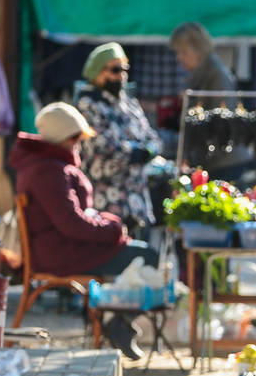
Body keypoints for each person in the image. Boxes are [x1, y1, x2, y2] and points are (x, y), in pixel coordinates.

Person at [8, 102, 158, 358]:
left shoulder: (44, 164)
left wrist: (108, 225)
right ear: (61, 138)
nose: (79, 143)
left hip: (58, 247)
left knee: (140, 253)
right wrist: (112, 228)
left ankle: (115, 319)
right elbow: (71, 224)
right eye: (75, 137)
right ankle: (116, 322)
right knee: (147, 257)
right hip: (61, 252)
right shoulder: (48, 170)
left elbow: (72, 219)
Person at [75, 42, 162, 234]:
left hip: (136, 201)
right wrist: (138, 152)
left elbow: (153, 139)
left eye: (124, 69)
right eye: (115, 69)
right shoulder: (88, 103)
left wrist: (147, 151)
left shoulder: (129, 103)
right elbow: (101, 144)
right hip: (106, 202)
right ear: (97, 71)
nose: (121, 75)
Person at [169, 22, 254, 182]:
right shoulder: (202, 73)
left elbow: (222, 123)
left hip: (225, 163)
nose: (179, 57)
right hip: (214, 161)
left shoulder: (216, 75)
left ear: (198, 50)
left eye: (183, 52)